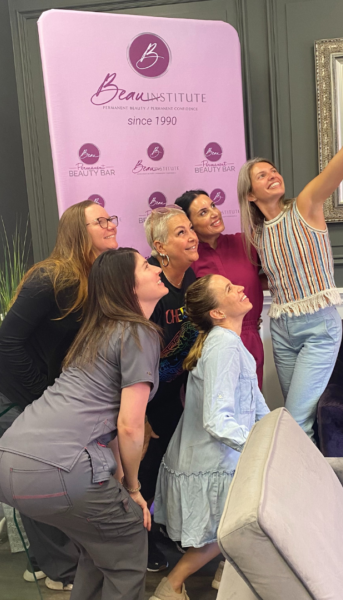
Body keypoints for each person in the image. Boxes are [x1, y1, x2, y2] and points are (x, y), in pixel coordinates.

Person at [0, 247, 167, 600]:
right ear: (126, 287)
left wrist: (118, 482)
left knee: (98, 549)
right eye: (146, 266)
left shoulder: (95, 332)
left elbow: (109, 424)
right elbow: (130, 426)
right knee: (128, 543)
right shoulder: (137, 333)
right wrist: (132, 489)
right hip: (56, 469)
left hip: (5, 462)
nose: (156, 269)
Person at [237, 67, 343, 441]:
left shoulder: (307, 205)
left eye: (273, 170)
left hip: (318, 327)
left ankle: (309, 494)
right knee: (297, 420)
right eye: (261, 176)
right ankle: (306, 492)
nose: (272, 176)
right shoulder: (259, 234)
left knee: (296, 421)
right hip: (281, 329)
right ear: (250, 195)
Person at [0, 200, 119, 590]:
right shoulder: (50, 278)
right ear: (77, 230)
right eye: (99, 220)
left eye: (110, 218)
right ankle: (61, 573)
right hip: (6, 390)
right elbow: (6, 345)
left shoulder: (93, 279)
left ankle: (43, 562)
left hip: (36, 394)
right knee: (34, 478)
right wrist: (43, 399)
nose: (109, 224)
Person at [151, 274, 270, 600]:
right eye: (230, 289)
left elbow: (256, 404)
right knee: (227, 532)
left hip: (217, 460)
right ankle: (171, 586)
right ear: (217, 312)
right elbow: (217, 420)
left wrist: (275, 436)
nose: (242, 288)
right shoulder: (223, 347)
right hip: (210, 463)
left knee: (233, 530)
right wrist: (260, 449)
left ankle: (227, 574)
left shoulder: (229, 343)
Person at [141, 206, 199, 571]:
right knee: (142, 474)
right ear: (160, 246)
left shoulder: (188, 279)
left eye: (190, 228)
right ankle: (139, 545)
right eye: (181, 232)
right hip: (143, 399)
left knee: (165, 466)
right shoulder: (149, 286)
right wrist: (139, 415)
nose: (191, 235)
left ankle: (158, 527)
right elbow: (128, 357)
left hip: (172, 393)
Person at [175, 190, 265, 387]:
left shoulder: (245, 242)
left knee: (251, 407)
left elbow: (272, 275)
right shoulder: (188, 258)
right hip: (210, 343)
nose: (214, 213)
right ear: (189, 224)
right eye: (203, 212)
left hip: (250, 339)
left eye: (213, 206)